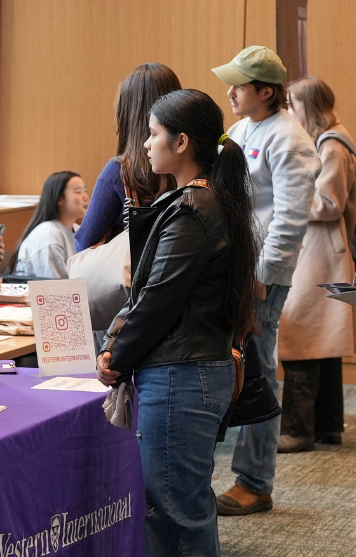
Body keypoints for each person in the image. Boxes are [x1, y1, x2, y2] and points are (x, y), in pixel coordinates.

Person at [97, 88, 257, 556]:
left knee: (175, 514)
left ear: (182, 142)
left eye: (153, 135)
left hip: (181, 375)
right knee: (180, 504)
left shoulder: (193, 209)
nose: (146, 144)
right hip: (191, 370)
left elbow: (156, 302)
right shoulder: (205, 199)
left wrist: (116, 356)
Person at [211, 45, 320, 515]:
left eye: (239, 84)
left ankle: (255, 482)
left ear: (266, 91)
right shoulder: (240, 129)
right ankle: (244, 476)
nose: (231, 91)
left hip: (261, 278)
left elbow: (292, 217)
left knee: (257, 373)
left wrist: (263, 276)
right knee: (237, 369)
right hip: (236, 270)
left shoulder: (289, 137)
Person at [277, 77, 356, 452]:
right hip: (321, 253)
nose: (289, 111)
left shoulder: (331, 144)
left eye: (293, 103)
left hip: (320, 253)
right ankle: (327, 426)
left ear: (309, 106)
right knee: (320, 343)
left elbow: (328, 203)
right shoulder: (331, 139)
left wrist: (285, 201)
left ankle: (297, 430)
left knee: (302, 340)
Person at [75, 63, 181, 251]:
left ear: (127, 111)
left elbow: (84, 244)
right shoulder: (193, 165)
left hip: (135, 279)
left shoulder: (118, 172)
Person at [6, 172, 88, 279]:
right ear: (59, 199)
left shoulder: (78, 229)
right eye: (78, 192)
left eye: (85, 191)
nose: (86, 197)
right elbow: (54, 288)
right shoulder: (48, 235)